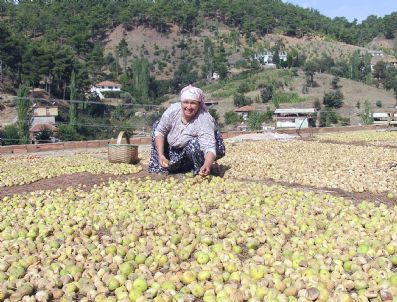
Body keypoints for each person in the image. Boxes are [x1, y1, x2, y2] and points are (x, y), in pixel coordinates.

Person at [148, 85, 225, 176]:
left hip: (196, 151)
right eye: (186, 102)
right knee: (157, 125)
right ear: (181, 103)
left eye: (193, 103)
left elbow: (209, 148)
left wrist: (207, 164)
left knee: (194, 144)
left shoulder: (203, 119)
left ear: (199, 105)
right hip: (176, 150)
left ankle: (200, 168)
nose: (189, 107)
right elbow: (160, 132)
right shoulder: (173, 111)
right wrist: (161, 155)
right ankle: (161, 162)